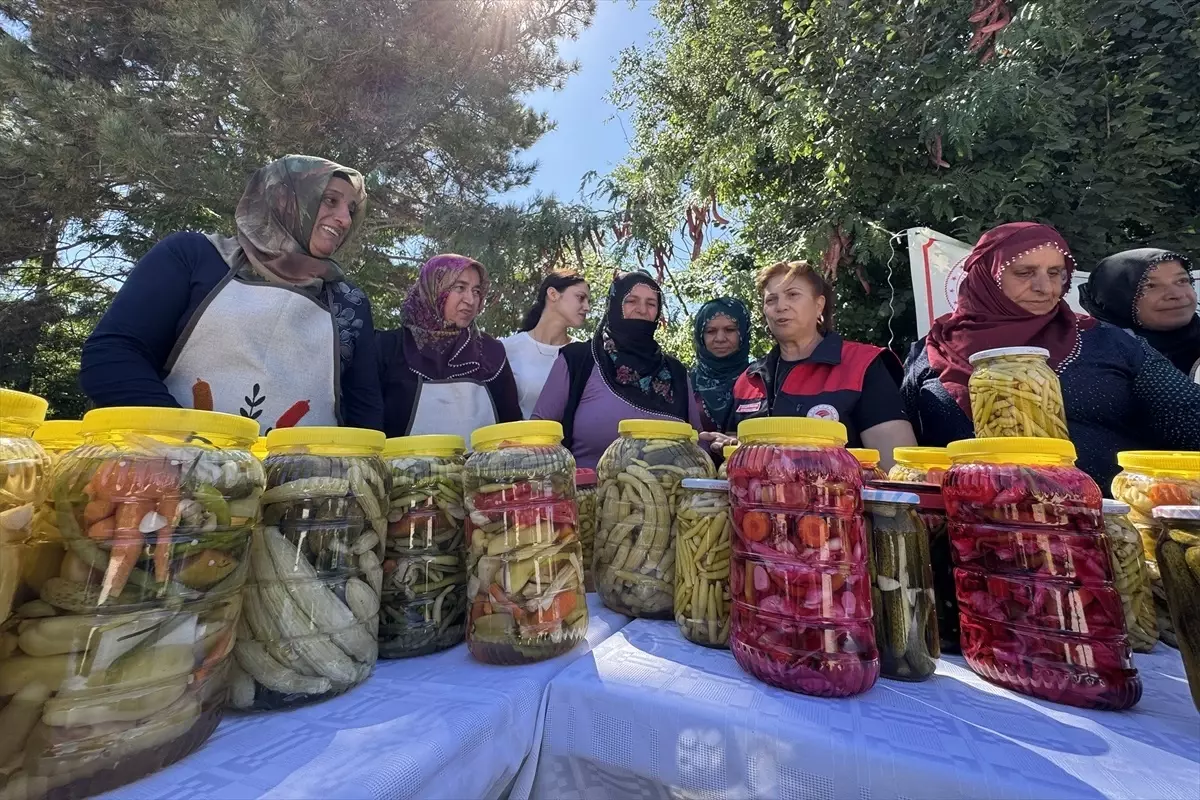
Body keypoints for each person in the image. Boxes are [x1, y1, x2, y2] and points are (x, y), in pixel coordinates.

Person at [80, 155, 383, 431]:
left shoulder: (349, 305)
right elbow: (113, 354)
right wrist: (189, 446)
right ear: (284, 197)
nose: (345, 220)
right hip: (171, 477)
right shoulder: (193, 257)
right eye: (330, 200)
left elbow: (365, 417)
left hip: (301, 488)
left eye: (351, 210)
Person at [903, 222, 1200, 492]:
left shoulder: (1109, 342)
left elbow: (1189, 416)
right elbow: (909, 456)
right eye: (1024, 272)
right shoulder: (932, 351)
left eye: (1056, 273)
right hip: (976, 527)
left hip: (1109, 524)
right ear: (986, 275)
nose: (1044, 287)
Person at [717, 260, 916, 469]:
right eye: (771, 300)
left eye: (793, 295)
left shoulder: (862, 364)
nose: (781, 306)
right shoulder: (748, 380)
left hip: (842, 499)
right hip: (755, 500)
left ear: (819, 305)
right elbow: (734, 454)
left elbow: (896, 469)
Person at [532, 271, 703, 469]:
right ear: (614, 305)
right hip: (588, 496)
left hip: (669, 494)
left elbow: (697, 444)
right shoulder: (579, 359)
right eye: (631, 301)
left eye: (651, 304)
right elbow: (539, 432)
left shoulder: (676, 372)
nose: (641, 310)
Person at [376, 254, 521, 440]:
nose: (470, 300)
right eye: (460, 288)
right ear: (434, 289)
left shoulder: (491, 353)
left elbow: (511, 426)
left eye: (476, 291)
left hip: (479, 468)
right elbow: (367, 419)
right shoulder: (389, 347)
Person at [1079, 248, 1200, 378]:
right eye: (1150, 286)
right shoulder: (1089, 360)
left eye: (1182, 281)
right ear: (1115, 297)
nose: (1176, 294)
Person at [502, 271, 591, 419]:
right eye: (580, 298)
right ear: (553, 294)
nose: (587, 307)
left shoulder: (583, 355)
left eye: (588, 301)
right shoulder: (507, 348)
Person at [691, 297, 751, 431]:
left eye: (729, 330)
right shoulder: (686, 383)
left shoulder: (759, 379)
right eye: (711, 331)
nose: (720, 339)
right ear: (701, 336)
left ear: (743, 332)